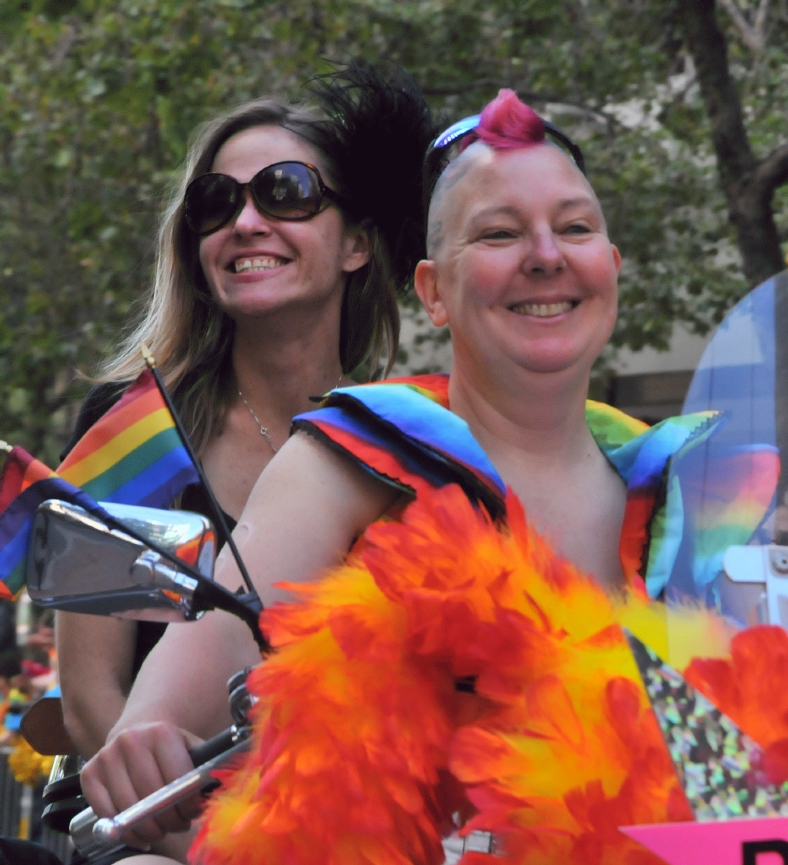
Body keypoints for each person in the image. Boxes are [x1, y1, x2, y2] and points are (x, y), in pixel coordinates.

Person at [78, 89, 720, 864]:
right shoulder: (352, 456)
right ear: (432, 291)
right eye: (499, 232)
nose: (546, 254)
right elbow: (161, 718)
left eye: (576, 227)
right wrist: (145, 746)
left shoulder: (687, 492)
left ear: (611, 269)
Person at [55, 65, 433, 861]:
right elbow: (94, 700)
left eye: (287, 192)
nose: (248, 221)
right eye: (216, 204)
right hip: (169, 842)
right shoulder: (131, 433)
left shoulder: (411, 447)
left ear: (357, 244)